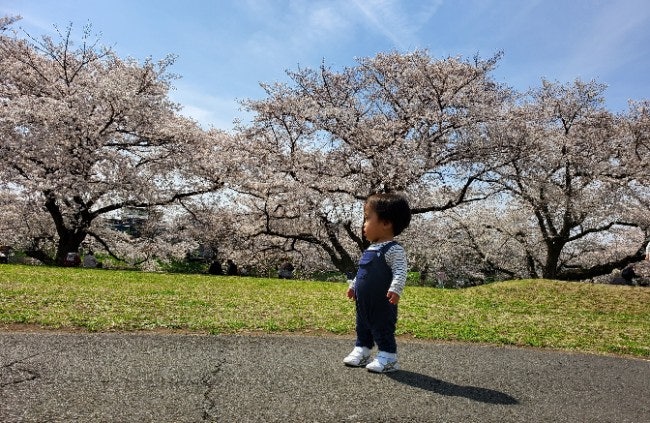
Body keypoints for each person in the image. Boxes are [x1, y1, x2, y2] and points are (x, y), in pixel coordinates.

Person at [343, 193, 411, 373]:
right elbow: (362, 271)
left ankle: (388, 357)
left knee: (382, 327)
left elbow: (400, 271)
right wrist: (353, 285)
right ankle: (362, 349)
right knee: (362, 325)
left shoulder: (393, 249)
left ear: (386, 223)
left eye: (367, 218)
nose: (363, 224)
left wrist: (396, 289)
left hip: (383, 301)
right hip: (364, 302)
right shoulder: (371, 248)